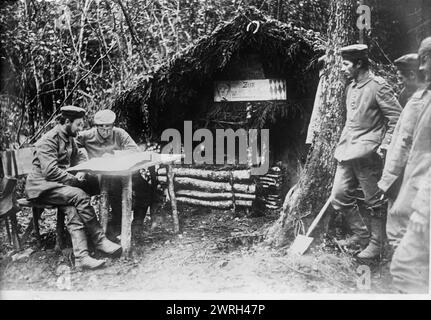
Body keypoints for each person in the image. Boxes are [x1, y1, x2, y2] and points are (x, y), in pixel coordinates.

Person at [25, 106, 121, 270]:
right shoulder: (48, 140)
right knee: (80, 195)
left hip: (58, 186)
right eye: (78, 124)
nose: (80, 128)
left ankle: (81, 257)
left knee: (73, 209)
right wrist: (74, 180)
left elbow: (79, 154)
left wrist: (82, 170)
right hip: (41, 187)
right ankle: (100, 240)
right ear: (67, 122)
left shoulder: (68, 137)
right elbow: (50, 172)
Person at [331, 44, 402, 260]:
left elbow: (397, 119)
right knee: (339, 196)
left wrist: (385, 144)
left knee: (375, 202)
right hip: (347, 151)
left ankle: (376, 244)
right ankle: (362, 236)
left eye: (346, 64)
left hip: (368, 155)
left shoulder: (378, 86)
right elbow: (351, 121)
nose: (342, 68)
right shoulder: (351, 88)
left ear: (359, 63)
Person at [390, 37, 431, 293]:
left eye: (425, 62)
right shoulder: (423, 98)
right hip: (416, 192)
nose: (423, 69)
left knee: (406, 267)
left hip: (423, 203)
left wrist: (423, 207)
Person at [378, 53, 430, 252]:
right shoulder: (409, 96)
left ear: (412, 75)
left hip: (409, 172)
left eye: (401, 76)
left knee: (398, 221)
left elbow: (404, 142)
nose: (398, 79)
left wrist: (389, 177)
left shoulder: (418, 103)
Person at [76, 109, 154, 237]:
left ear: (113, 126)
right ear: (96, 127)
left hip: (120, 173)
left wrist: (114, 155)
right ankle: (115, 224)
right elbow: (71, 148)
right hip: (97, 178)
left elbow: (134, 151)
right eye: (102, 127)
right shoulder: (86, 136)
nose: (106, 131)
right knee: (112, 190)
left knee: (143, 187)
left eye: (109, 127)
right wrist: (83, 159)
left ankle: (138, 223)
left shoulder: (119, 133)